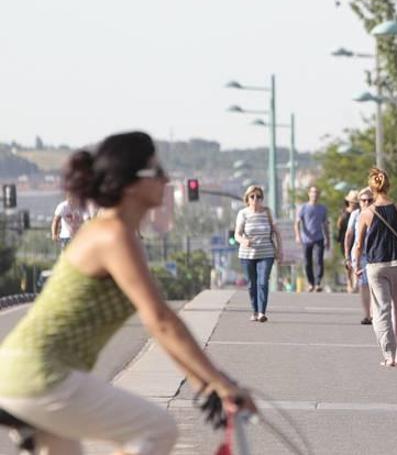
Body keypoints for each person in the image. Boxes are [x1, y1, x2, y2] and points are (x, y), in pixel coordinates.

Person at [0, 132, 255, 455]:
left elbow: (160, 328)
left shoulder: (112, 232)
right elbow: (160, 320)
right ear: (131, 183)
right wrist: (217, 381)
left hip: (22, 375)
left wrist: (203, 382)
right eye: (156, 171)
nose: (166, 179)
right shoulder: (113, 235)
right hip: (42, 376)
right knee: (157, 429)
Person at [353, 168, 397, 367]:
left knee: (381, 310)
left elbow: (359, 244)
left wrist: (356, 265)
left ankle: (389, 355)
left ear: (372, 189)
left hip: (376, 265)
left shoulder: (366, 213)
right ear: (388, 186)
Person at [235, 185, 281, 323]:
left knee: (262, 282)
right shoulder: (243, 214)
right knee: (252, 284)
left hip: (266, 253)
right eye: (252, 196)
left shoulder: (267, 212)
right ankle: (254, 310)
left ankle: (262, 312)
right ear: (247, 199)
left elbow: (277, 232)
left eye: (259, 197)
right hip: (247, 255)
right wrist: (244, 241)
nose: (256, 199)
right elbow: (237, 234)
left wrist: (280, 250)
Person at [345, 187, 374, 325]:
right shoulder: (355, 215)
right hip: (360, 253)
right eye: (363, 200)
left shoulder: (377, 214)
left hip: (375, 253)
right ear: (359, 202)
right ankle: (367, 315)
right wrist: (347, 255)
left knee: (375, 284)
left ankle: (375, 314)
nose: (366, 203)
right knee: (364, 285)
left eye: (370, 200)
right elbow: (349, 234)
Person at [295, 185, 329, 292]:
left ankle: (318, 283)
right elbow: (297, 223)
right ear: (309, 194)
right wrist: (298, 236)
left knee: (319, 260)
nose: (314, 194)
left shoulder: (322, 208)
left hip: (319, 237)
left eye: (316, 192)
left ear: (318, 195)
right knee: (307, 262)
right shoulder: (303, 208)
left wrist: (327, 239)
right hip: (306, 238)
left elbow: (325, 224)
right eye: (313, 192)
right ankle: (311, 283)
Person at [337, 190, 359, 293]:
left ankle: (355, 282)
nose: (353, 204)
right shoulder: (344, 212)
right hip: (345, 239)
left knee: (356, 260)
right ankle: (349, 282)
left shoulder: (360, 212)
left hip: (357, 238)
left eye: (355, 202)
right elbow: (339, 226)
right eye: (352, 202)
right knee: (348, 262)